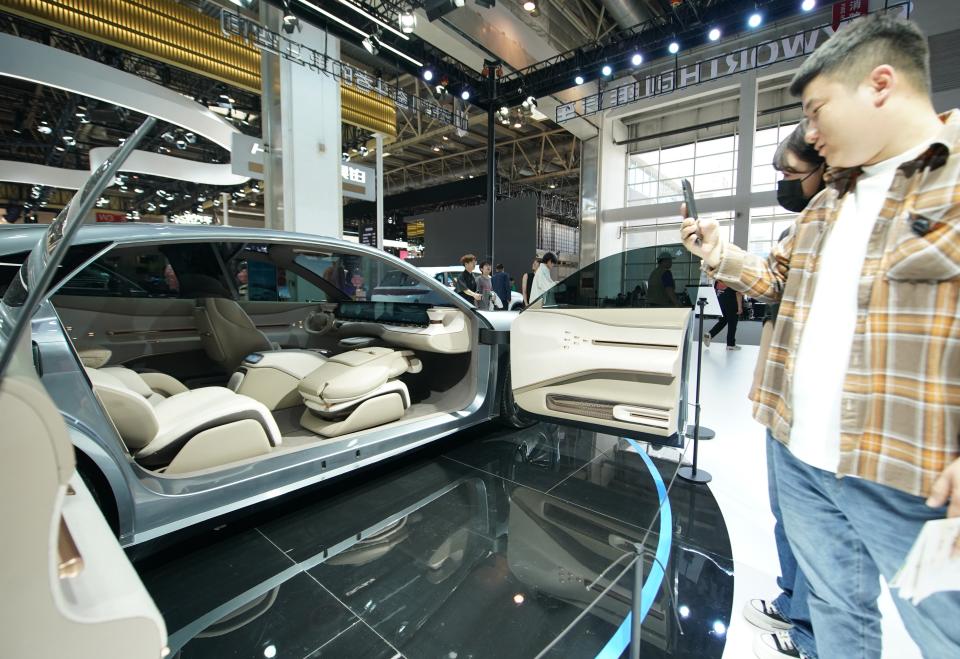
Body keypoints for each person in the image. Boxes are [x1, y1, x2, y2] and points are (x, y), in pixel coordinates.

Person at [681, 15, 960, 659]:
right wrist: (722, 253)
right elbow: (777, 282)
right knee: (834, 607)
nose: (809, 133)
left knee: (943, 629)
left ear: (880, 85)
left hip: (909, 476)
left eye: (816, 111)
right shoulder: (826, 206)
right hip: (799, 453)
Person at [745, 122, 826, 659]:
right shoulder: (808, 222)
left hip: (823, 406)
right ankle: (793, 604)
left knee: (818, 535)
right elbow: (775, 283)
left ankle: (810, 636)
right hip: (787, 401)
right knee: (787, 516)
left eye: (791, 174)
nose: (784, 183)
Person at [704, 280, 743, 350]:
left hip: (721, 303)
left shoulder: (718, 281)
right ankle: (730, 344)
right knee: (732, 324)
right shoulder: (733, 280)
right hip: (732, 303)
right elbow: (738, 294)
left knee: (723, 321)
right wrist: (740, 307)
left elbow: (716, 291)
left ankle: (710, 334)